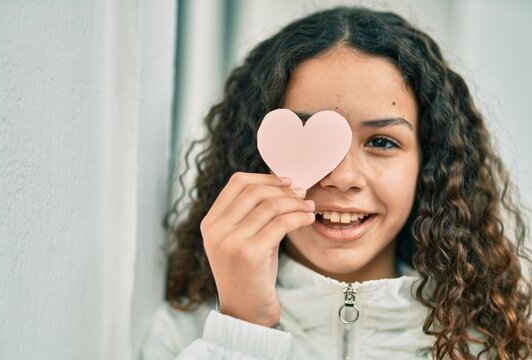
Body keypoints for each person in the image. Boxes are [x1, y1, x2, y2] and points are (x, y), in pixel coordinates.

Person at [142, 6, 532, 360]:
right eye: (307, 135)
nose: (343, 178)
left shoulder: (490, 346)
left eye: (381, 142)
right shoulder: (182, 335)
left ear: (429, 165)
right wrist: (242, 329)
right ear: (256, 156)